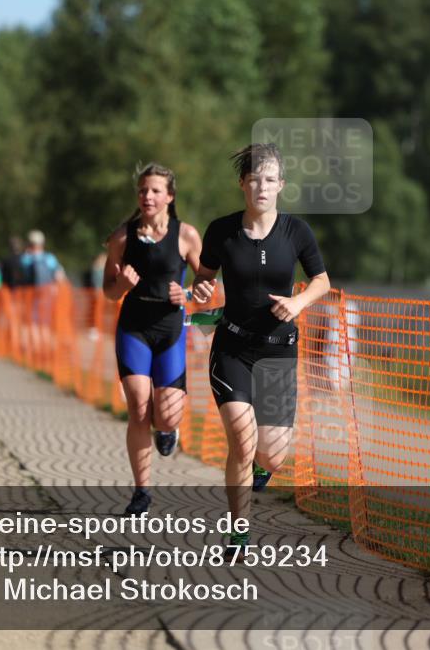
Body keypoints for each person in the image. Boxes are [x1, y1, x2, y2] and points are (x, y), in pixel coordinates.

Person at [191, 143, 330, 557]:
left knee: (271, 456)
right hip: (232, 347)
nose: (262, 187)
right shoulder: (221, 230)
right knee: (242, 438)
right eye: (254, 179)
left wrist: (298, 303)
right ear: (242, 184)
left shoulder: (297, 232)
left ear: (281, 186)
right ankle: (238, 534)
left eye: (270, 180)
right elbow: (203, 276)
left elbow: (321, 281)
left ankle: (257, 470)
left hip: (279, 351)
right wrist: (201, 288)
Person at [104, 163, 202, 516]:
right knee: (138, 407)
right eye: (143, 190)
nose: (148, 196)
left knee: (167, 415)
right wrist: (122, 286)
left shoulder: (186, 235)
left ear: (169, 197)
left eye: (155, 190)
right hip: (134, 328)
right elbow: (108, 293)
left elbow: (208, 286)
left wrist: (188, 294)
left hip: (170, 331)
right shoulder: (122, 238)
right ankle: (142, 492)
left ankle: (168, 431)